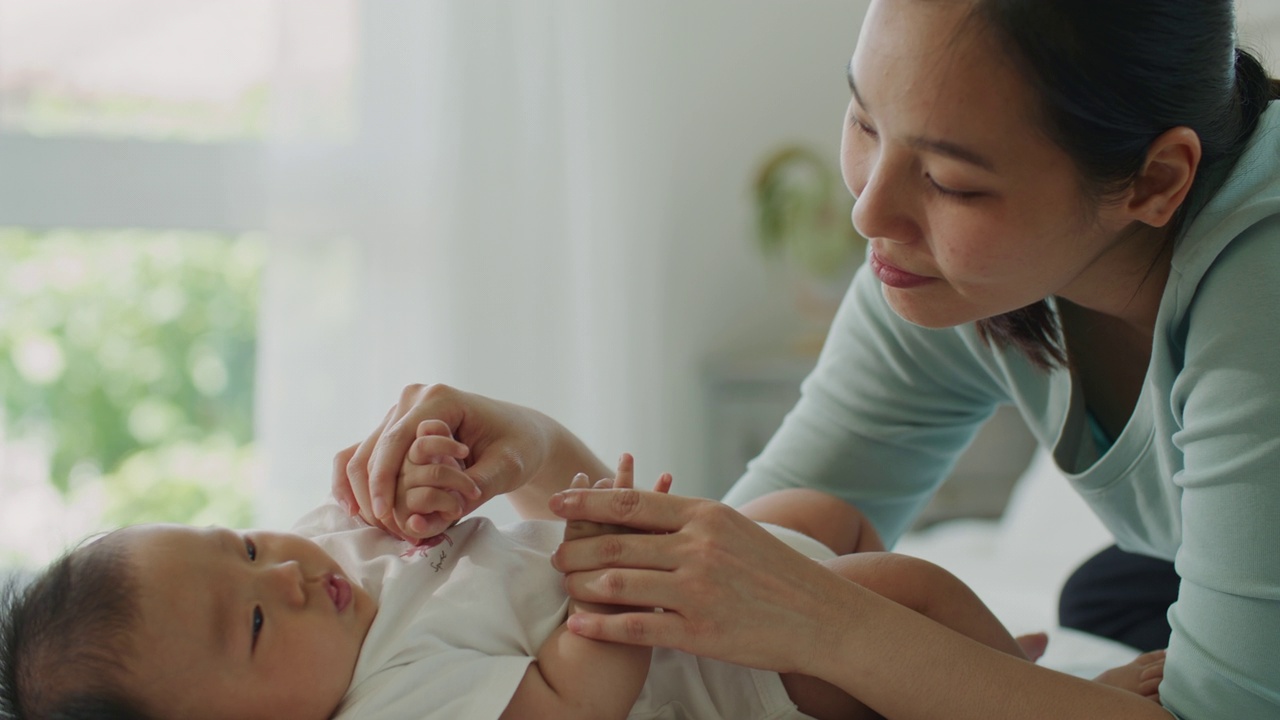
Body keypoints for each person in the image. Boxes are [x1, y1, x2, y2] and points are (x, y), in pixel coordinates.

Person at [333, 1, 1280, 718]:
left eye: (951, 180)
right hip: (1163, 561)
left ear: (1155, 182)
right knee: (1111, 593)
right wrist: (542, 456)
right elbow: (762, 562)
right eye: (864, 121)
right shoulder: (931, 272)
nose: (869, 213)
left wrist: (829, 625)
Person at [5, 432, 1129, 720]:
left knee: (813, 514)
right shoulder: (394, 699)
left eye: (239, 546)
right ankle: (1019, 681)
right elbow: (566, 701)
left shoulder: (331, 566)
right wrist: (604, 604)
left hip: (692, 574)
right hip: (730, 673)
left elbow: (422, 522)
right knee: (896, 589)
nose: (285, 577)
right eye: (251, 624)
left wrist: (435, 476)